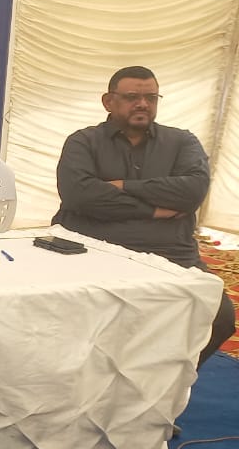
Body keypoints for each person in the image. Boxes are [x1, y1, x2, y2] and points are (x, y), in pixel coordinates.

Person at [53, 65, 234, 365]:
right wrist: (153, 210)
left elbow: (192, 191)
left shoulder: (182, 142)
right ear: (108, 102)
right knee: (73, 316)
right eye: (132, 97)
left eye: (151, 97)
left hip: (171, 255)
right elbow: (79, 195)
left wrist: (123, 186)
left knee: (220, 317)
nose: (142, 104)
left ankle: (165, 379)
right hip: (94, 253)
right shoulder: (83, 142)